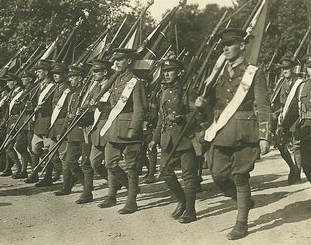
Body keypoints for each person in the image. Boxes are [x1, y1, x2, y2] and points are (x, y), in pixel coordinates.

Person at [196, 28, 271, 240]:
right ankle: (244, 201)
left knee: (240, 176)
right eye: (223, 45)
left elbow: (264, 106)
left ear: (242, 46)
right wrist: (201, 105)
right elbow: (211, 102)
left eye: (230, 44)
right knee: (218, 174)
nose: (225, 49)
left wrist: (265, 136)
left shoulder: (254, 72)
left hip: (244, 132)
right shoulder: (218, 73)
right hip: (221, 131)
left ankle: (241, 222)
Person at [148, 59, 199, 223]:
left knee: (188, 175)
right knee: (165, 172)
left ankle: (191, 211)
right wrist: (155, 138)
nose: (167, 74)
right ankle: (182, 200)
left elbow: (199, 113)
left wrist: (182, 118)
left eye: (171, 71)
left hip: (185, 137)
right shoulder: (163, 91)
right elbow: (161, 118)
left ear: (179, 72)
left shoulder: (187, 90)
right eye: (165, 71)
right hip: (168, 139)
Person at [98, 48, 147, 214]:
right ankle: (127, 189)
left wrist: (134, 127)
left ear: (129, 61)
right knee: (110, 162)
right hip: (114, 127)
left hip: (128, 129)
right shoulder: (115, 80)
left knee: (131, 167)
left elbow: (140, 108)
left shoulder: (136, 82)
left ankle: (131, 201)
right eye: (115, 60)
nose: (116, 63)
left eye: (120, 60)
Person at [76, 59, 113, 204]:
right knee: (91, 162)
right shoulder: (94, 87)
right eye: (93, 71)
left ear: (105, 72)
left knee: (109, 162)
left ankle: (113, 191)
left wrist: (95, 106)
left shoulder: (111, 86)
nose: (94, 74)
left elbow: (112, 107)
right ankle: (88, 191)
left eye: (97, 71)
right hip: (91, 127)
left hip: (106, 127)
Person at [54, 65, 89, 197]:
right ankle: (74, 185)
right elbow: (68, 116)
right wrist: (62, 132)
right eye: (69, 77)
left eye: (72, 77)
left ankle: (86, 190)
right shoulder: (72, 94)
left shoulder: (85, 93)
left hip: (83, 132)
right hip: (72, 133)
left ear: (80, 78)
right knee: (69, 162)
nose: (70, 80)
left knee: (87, 163)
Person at [37, 62, 70, 186]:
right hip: (53, 124)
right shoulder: (56, 88)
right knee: (50, 152)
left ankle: (70, 180)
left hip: (62, 124)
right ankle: (49, 177)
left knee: (62, 155)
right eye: (54, 74)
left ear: (65, 75)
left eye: (58, 74)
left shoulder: (67, 89)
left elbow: (66, 109)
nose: (55, 76)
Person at [271, 57, 302, 184]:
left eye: (287, 68)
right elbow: (276, 102)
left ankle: (297, 173)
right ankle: (292, 168)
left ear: (293, 68)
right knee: (281, 145)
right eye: (283, 69)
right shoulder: (280, 84)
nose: (285, 71)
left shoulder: (300, 82)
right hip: (283, 117)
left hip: (297, 117)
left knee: (296, 146)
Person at [25, 60, 55, 184]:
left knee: (48, 151)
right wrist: (29, 106)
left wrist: (42, 108)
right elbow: (36, 104)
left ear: (46, 72)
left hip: (48, 122)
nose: (37, 73)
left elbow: (54, 106)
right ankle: (35, 173)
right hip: (38, 122)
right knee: (35, 148)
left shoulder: (53, 87)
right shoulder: (39, 86)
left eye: (39, 71)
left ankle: (48, 177)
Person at [282, 53, 311, 183]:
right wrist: (283, 126)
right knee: (307, 165)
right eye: (310, 66)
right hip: (306, 130)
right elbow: (294, 108)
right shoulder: (302, 86)